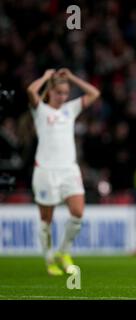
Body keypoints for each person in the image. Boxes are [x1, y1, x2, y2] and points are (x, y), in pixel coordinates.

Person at [27, 68, 100, 276]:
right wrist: (45, 77)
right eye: (59, 92)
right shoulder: (40, 109)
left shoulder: (70, 109)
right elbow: (30, 91)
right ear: (50, 92)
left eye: (66, 93)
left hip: (69, 169)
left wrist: (73, 78)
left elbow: (94, 93)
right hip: (45, 171)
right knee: (46, 221)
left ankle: (63, 252)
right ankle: (49, 258)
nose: (63, 97)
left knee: (77, 213)